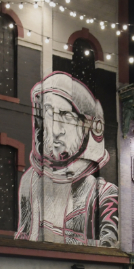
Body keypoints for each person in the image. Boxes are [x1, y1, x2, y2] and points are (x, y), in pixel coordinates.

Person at [15, 72, 118, 247]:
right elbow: (22, 239)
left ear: (90, 128)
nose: (56, 130)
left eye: (66, 116)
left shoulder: (103, 194)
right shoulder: (30, 182)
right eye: (49, 113)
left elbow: (109, 248)